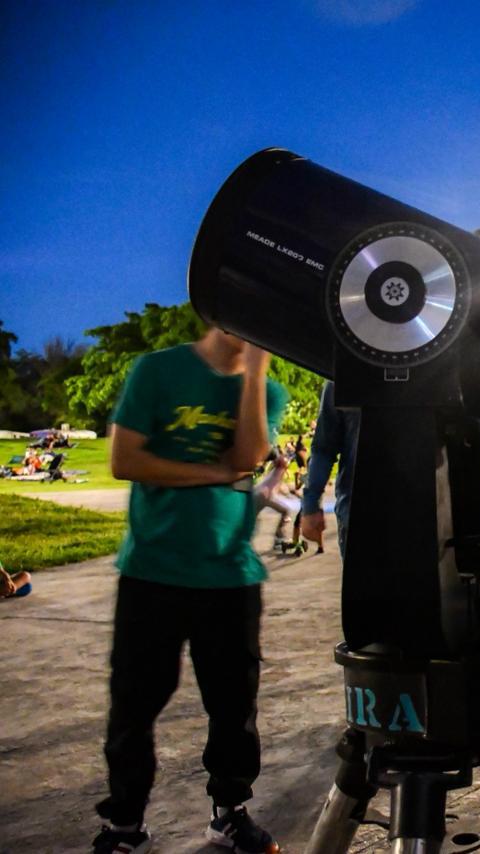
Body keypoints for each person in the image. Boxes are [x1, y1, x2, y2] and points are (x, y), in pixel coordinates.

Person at [92, 326, 286, 854]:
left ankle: (229, 814)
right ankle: (124, 825)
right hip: (152, 573)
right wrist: (209, 473)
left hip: (230, 577)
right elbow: (125, 460)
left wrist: (256, 370)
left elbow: (246, 459)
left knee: (233, 709)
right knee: (133, 708)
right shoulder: (157, 370)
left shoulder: (266, 391)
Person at [300, 380, 359, 558]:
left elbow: (324, 448)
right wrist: (311, 504)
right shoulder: (342, 374)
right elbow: (324, 447)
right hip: (354, 510)